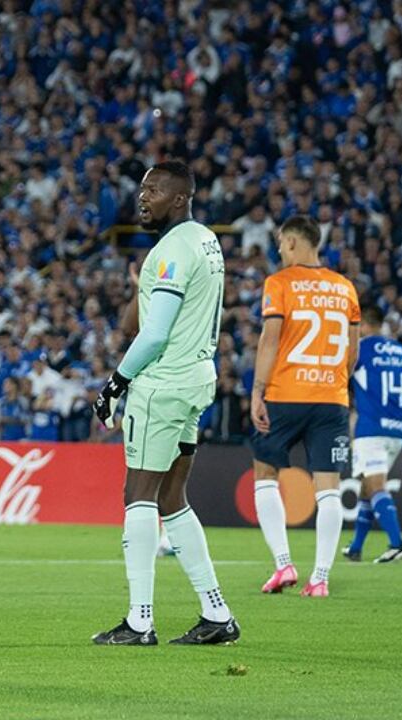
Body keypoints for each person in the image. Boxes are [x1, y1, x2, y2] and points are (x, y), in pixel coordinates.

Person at [90, 161, 237, 646]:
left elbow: (151, 334)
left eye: (153, 190)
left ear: (179, 198)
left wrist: (115, 384)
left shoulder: (171, 251)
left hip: (164, 383)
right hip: (197, 377)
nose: (142, 198)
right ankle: (217, 614)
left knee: (138, 495)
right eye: (142, 189)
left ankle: (140, 620)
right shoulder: (205, 240)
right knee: (173, 499)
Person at [249, 215, 360, 598]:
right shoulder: (345, 288)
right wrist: (333, 382)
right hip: (331, 398)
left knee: (265, 474)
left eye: (281, 242)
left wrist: (257, 392)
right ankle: (320, 578)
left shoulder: (279, 284)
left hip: (284, 394)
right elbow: (352, 349)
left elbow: (270, 340)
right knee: (329, 486)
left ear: (294, 242)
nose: (279, 249)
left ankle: (284, 565)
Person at [343, 305, 402, 564]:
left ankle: (397, 543)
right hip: (397, 430)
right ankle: (356, 547)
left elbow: (341, 379)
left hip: (371, 429)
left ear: (364, 324)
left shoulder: (360, 350)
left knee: (375, 486)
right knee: (367, 487)